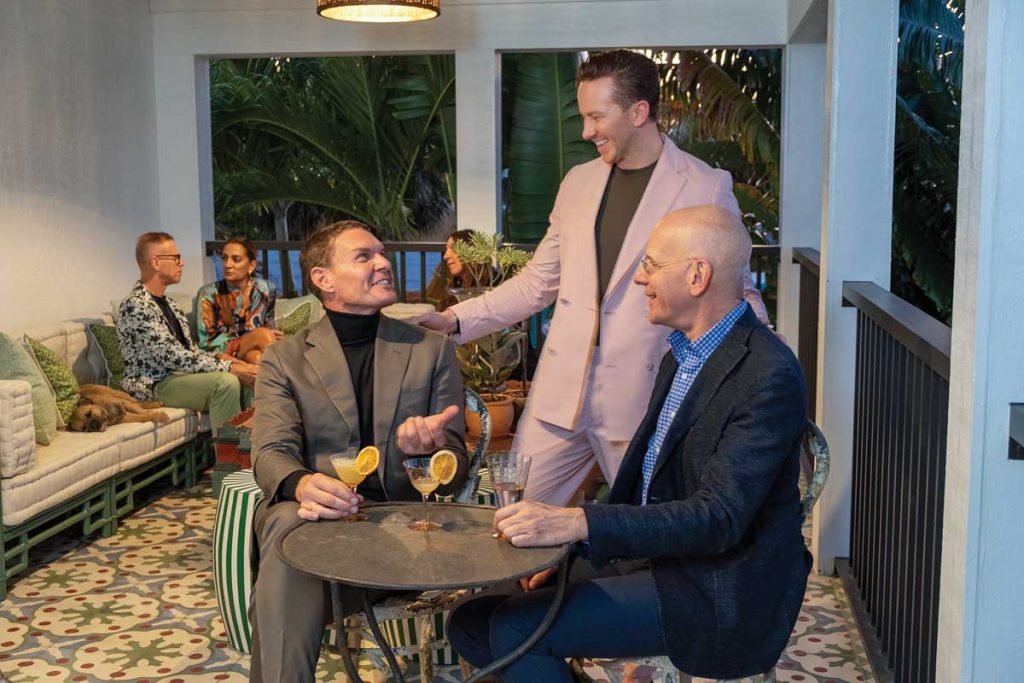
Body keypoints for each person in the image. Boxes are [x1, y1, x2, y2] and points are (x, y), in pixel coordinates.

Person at [446, 206, 811, 682]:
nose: (641, 279)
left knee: (518, 630)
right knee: (469, 622)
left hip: (715, 587)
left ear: (698, 275)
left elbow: (718, 519)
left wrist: (577, 523)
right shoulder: (680, 353)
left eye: (652, 265)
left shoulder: (767, 374)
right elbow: (651, 491)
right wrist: (576, 556)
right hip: (654, 560)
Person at [412, 50, 770, 506]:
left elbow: (735, 291)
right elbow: (537, 282)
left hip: (640, 399)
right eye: (583, 116)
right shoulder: (577, 183)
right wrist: (455, 320)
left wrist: (764, 366)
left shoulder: (705, 185)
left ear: (639, 111)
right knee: (513, 515)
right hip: (559, 395)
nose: (585, 131)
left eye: (597, 116)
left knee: (651, 534)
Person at [248, 220, 469, 683]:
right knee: (288, 526)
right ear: (323, 279)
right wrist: (304, 484)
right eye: (364, 256)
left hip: (404, 523)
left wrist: (430, 453)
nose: (384, 263)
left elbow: (455, 465)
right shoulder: (284, 359)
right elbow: (271, 452)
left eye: (382, 253)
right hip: (319, 522)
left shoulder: (432, 350)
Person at [117, 232, 259, 431]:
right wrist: (227, 367)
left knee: (247, 377)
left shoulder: (171, 305)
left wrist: (225, 358)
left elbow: (190, 351)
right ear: (156, 262)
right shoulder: (136, 305)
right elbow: (173, 357)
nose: (181, 263)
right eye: (175, 258)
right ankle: (231, 460)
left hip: (178, 376)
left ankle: (254, 450)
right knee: (225, 382)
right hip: (154, 384)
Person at [195, 237, 282, 365]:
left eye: (236, 259)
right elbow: (205, 341)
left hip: (256, 347)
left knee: (256, 358)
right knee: (262, 335)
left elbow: (268, 324)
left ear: (251, 266)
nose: (227, 265)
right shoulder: (208, 293)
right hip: (220, 350)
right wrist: (255, 336)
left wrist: (272, 335)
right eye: (224, 258)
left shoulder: (266, 289)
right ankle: (293, 378)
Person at [424, 229, 488, 310]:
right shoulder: (455, 284)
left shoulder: (491, 288)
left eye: (453, 248)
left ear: (471, 251)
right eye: (447, 249)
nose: (446, 256)